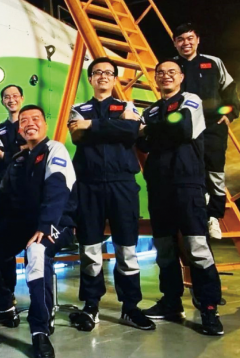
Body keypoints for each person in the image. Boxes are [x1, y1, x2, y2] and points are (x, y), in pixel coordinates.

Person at [67, 57, 155, 332]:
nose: (103, 76)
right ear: (90, 79)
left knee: (127, 248)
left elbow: (133, 132)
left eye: (108, 73)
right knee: (90, 249)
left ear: (115, 79)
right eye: (97, 73)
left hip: (122, 184)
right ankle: (91, 304)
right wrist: (117, 126)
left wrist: (92, 126)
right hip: (89, 185)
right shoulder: (78, 109)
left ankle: (130, 306)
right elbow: (76, 136)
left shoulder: (127, 106)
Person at [138, 59, 223, 336]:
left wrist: (151, 130)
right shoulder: (150, 111)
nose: (166, 76)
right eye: (161, 73)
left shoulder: (191, 100)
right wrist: (156, 130)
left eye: (171, 72)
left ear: (181, 76)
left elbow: (183, 128)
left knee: (197, 247)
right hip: (159, 188)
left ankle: (209, 308)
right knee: (164, 249)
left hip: (188, 185)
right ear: (155, 78)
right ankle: (171, 302)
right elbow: (142, 143)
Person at [0, 104, 76, 358]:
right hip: (24, 225)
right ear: (19, 129)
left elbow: (58, 188)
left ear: (45, 124)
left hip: (57, 223)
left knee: (37, 252)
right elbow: (3, 197)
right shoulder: (17, 160)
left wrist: (45, 225)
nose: (30, 123)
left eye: (35, 118)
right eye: (24, 121)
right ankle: (4, 305)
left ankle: (40, 329)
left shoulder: (55, 149)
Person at [173, 23, 240, 239]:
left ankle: (214, 217)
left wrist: (228, 114)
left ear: (198, 40)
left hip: (213, 128)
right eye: (180, 39)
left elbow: (229, 90)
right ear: (175, 43)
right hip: (184, 129)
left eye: (190, 38)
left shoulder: (213, 63)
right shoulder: (172, 66)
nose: (186, 43)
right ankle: (196, 216)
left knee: (215, 172)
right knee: (191, 173)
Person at [0, 84, 28, 307]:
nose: (11, 99)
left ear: (21, 98)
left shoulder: (30, 124)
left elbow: (29, 153)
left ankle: (38, 298)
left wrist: (6, 156)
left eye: (15, 96)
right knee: (3, 248)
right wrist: (13, 155)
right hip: (3, 195)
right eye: (7, 97)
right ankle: (7, 295)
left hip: (26, 194)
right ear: (2, 101)